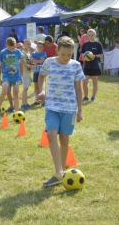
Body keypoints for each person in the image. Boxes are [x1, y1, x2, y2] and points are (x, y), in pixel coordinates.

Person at [37, 36, 84, 187]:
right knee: (51, 135)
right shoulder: (49, 62)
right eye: (63, 54)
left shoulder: (76, 66)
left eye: (69, 55)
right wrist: (42, 91)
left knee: (64, 139)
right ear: (58, 50)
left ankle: (61, 172)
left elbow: (78, 89)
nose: (65, 57)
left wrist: (80, 110)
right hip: (51, 106)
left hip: (69, 108)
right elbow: (41, 76)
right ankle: (59, 172)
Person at [0, 37, 23, 119]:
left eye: (13, 48)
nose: (12, 50)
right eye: (10, 48)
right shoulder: (3, 53)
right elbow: (0, 66)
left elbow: (21, 62)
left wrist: (21, 77)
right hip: (6, 75)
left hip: (16, 76)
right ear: (6, 45)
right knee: (4, 92)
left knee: (16, 94)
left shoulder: (18, 52)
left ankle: (17, 113)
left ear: (15, 45)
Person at [81, 29, 103, 102]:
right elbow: (82, 53)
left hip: (95, 65)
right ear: (87, 35)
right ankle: (86, 96)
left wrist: (94, 56)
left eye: (92, 35)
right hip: (87, 65)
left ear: (95, 35)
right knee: (84, 82)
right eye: (89, 35)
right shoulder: (86, 44)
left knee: (94, 82)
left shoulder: (98, 44)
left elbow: (101, 54)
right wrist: (85, 57)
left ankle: (93, 97)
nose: (91, 36)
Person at [31, 41, 47, 105]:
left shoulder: (44, 53)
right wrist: (38, 61)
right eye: (38, 46)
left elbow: (42, 60)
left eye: (41, 47)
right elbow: (32, 61)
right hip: (35, 71)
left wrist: (36, 61)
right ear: (36, 47)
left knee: (42, 86)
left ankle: (43, 100)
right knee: (36, 86)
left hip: (42, 72)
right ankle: (37, 100)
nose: (40, 48)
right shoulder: (34, 53)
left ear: (43, 47)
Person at [21, 39, 35, 110]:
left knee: (26, 89)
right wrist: (30, 66)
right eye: (27, 44)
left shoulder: (29, 53)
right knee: (25, 89)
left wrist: (32, 63)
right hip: (25, 74)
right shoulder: (23, 53)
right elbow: (22, 63)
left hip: (28, 73)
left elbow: (28, 62)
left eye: (30, 44)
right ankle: (23, 104)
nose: (29, 45)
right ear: (24, 44)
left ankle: (25, 103)